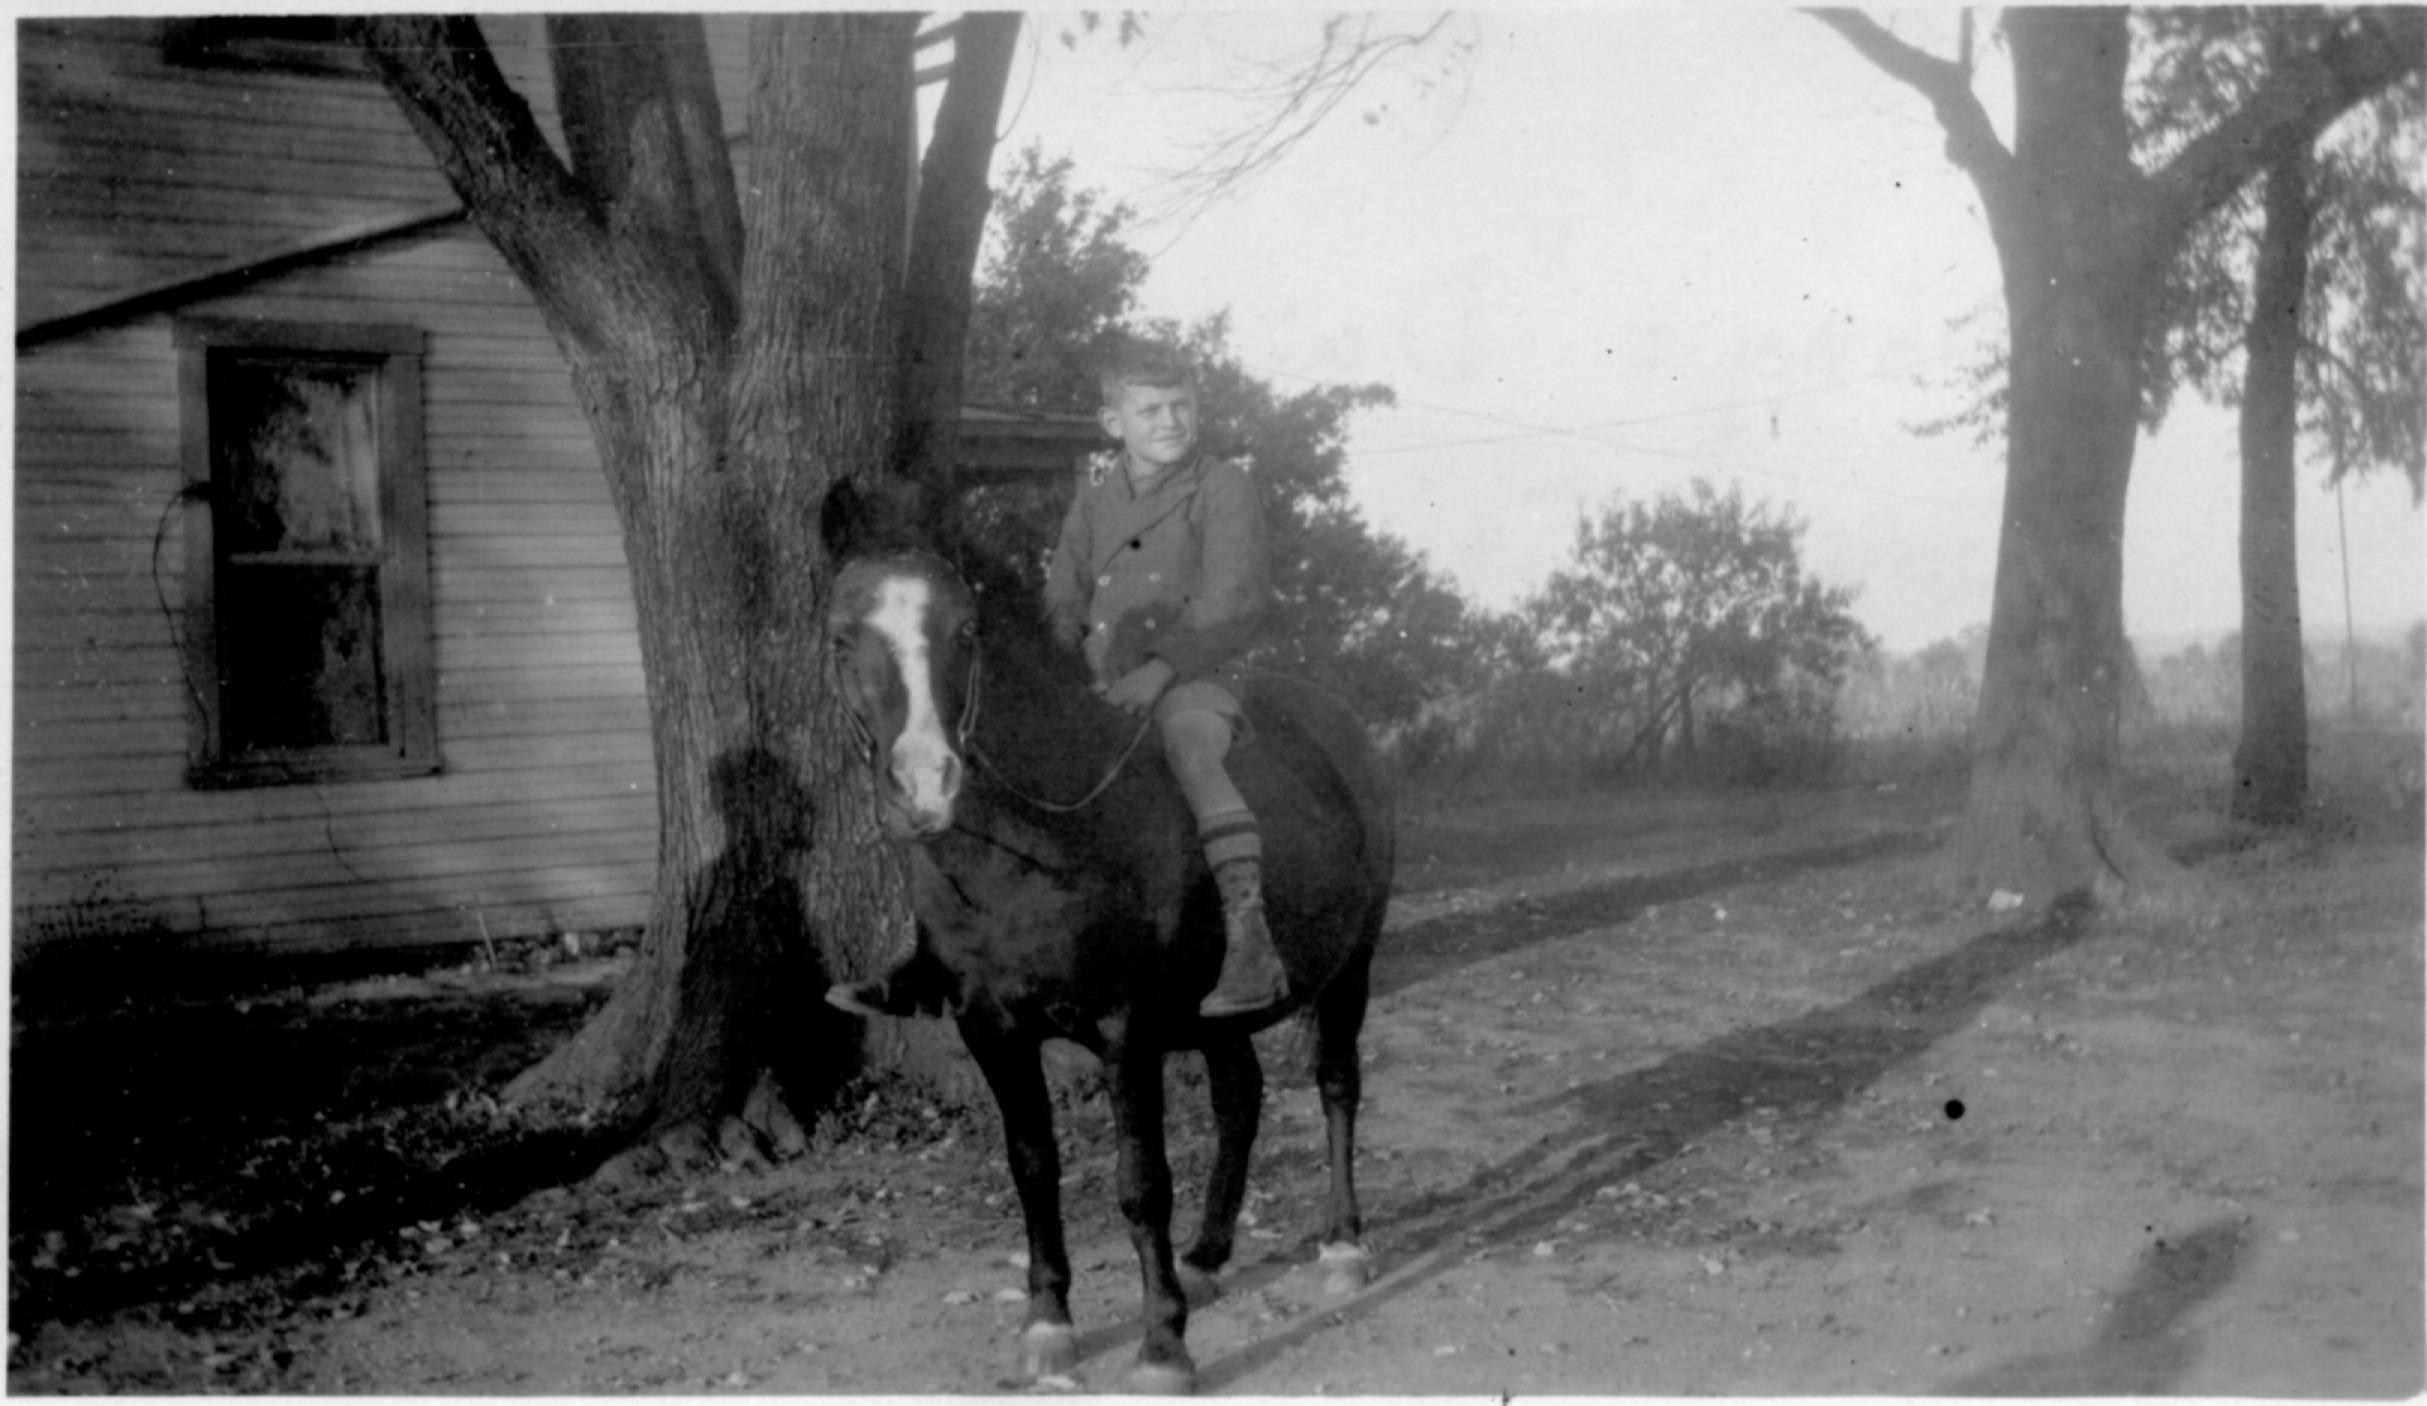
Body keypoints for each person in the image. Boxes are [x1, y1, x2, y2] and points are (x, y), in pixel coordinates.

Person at [829, 337, 1289, 1020]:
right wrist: (1057, 654)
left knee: (1191, 748)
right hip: (1098, 682)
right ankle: (933, 954)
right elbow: (1063, 595)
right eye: (1149, 410)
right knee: (983, 759)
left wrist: (1162, 671)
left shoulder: (1221, 487)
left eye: (1179, 406)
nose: (1168, 422)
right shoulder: (1098, 498)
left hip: (1195, 676)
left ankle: (1249, 940)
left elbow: (1234, 601)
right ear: (1114, 424)